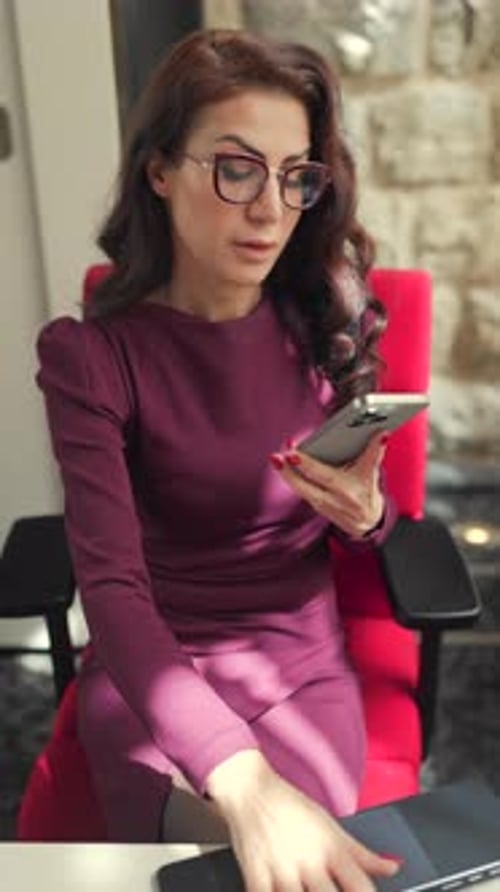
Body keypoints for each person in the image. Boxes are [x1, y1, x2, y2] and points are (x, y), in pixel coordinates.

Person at [37, 28, 402, 892]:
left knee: (303, 871)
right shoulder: (91, 359)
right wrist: (238, 778)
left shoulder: (323, 316)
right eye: (236, 168)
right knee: (217, 868)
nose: (271, 209)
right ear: (160, 171)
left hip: (300, 666)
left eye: (295, 175)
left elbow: (378, 529)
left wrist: (368, 519)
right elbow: (114, 594)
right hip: (152, 673)